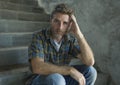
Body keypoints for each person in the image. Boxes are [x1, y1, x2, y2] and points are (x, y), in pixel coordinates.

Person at [26, 3, 97, 85]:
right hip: (41, 79)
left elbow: (89, 61)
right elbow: (37, 67)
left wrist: (79, 35)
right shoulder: (39, 37)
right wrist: (69, 70)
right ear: (51, 20)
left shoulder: (69, 40)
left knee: (91, 71)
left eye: (65, 23)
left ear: (69, 25)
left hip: (61, 78)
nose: (60, 27)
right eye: (56, 21)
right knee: (57, 79)